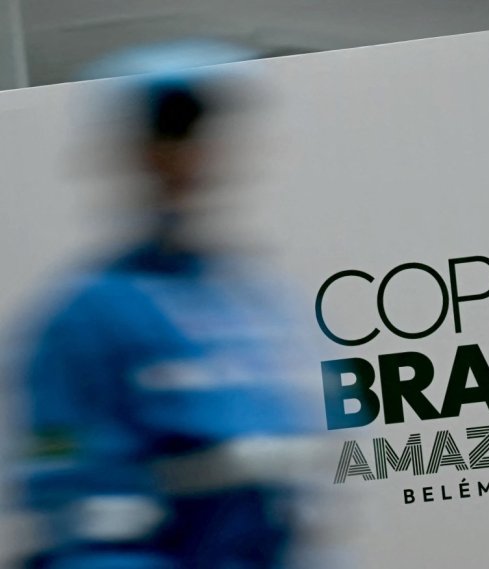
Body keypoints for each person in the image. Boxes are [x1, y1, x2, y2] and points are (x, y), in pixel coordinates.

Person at [14, 42, 323, 569]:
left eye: (197, 130)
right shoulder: (86, 320)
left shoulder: (253, 304)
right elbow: (87, 530)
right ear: (132, 150)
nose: (186, 154)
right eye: (167, 131)